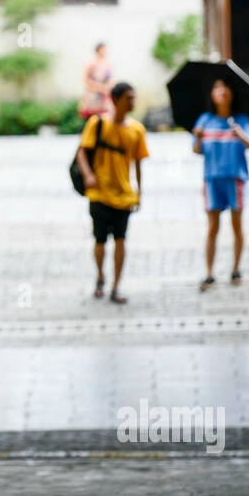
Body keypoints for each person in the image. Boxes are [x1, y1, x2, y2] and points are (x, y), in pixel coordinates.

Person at [76, 81, 149, 305]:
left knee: (120, 239)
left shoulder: (137, 129)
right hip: (99, 193)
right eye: (129, 98)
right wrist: (88, 174)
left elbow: (138, 163)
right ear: (116, 100)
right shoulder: (97, 124)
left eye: (134, 97)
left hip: (124, 195)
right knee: (100, 240)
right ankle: (100, 276)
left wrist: (139, 193)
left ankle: (116, 286)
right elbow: (81, 152)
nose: (133, 102)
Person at [192, 77, 249, 291]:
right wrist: (199, 137)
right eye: (217, 87)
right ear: (212, 94)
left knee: (237, 225)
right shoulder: (204, 120)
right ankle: (210, 273)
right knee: (212, 228)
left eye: (225, 87)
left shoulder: (242, 121)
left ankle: (236, 269)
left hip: (235, 178)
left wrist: (239, 132)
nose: (222, 91)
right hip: (212, 179)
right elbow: (196, 150)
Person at [78, 42, 113, 120]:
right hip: (94, 93)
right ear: (98, 50)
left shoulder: (107, 64)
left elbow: (110, 79)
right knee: (92, 117)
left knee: (105, 117)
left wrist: (108, 87)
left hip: (105, 94)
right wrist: (98, 86)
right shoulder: (91, 64)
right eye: (103, 49)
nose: (104, 51)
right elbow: (86, 79)